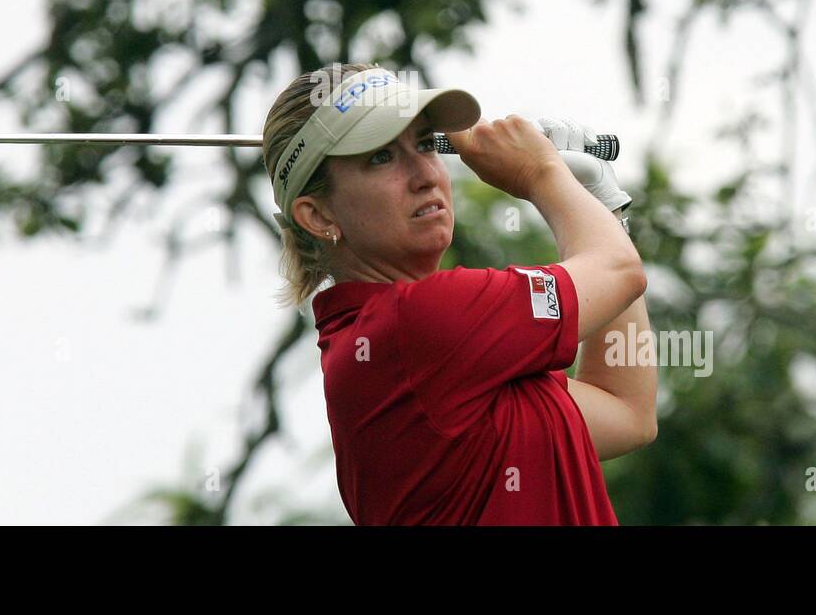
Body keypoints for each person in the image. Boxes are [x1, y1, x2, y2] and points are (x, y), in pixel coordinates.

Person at [261, 62, 654, 525]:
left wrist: (599, 200)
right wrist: (542, 173)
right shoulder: (417, 323)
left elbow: (627, 413)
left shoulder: (422, 351)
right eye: (381, 157)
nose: (425, 174)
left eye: (425, 144)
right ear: (319, 216)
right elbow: (618, 269)